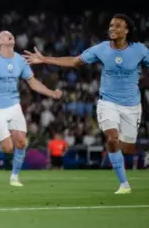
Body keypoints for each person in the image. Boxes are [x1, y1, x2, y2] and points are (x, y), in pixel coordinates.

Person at [24, 14, 148, 194]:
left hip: (132, 106)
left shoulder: (139, 50)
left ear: (127, 30)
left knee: (127, 148)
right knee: (112, 139)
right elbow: (74, 61)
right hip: (108, 103)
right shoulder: (101, 49)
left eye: (118, 26)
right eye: (111, 25)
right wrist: (45, 59)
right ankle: (124, 184)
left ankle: (142, 155)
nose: (112, 28)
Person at [0, 31, 62, 187]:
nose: (10, 36)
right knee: (7, 148)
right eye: (6, 35)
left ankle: (14, 177)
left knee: (21, 142)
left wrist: (51, 93)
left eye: (12, 35)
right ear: (0, 42)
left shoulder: (20, 60)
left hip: (14, 105)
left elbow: (33, 82)